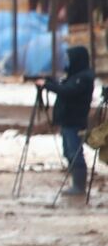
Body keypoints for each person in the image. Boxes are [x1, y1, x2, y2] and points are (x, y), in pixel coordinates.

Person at [39, 45, 94, 196]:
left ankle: (79, 186)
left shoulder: (84, 78)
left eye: (70, 58)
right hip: (68, 120)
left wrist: (48, 86)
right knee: (69, 152)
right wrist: (51, 83)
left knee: (75, 152)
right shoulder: (75, 76)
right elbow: (65, 88)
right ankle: (75, 185)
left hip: (74, 121)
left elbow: (68, 92)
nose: (68, 62)